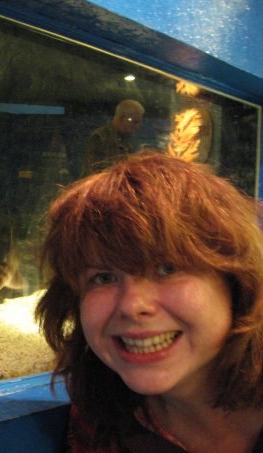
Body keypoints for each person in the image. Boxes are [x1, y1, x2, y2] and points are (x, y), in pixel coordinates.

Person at [36, 152, 263, 452]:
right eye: (104, 277)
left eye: (167, 269)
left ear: (236, 281)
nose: (132, 306)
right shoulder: (101, 418)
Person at [82, 99, 145, 176]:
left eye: (139, 123)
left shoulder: (127, 142)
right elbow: (92, 173)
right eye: (135, 122)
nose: (137, 127)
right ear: (122, 118)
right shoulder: (100, 138)